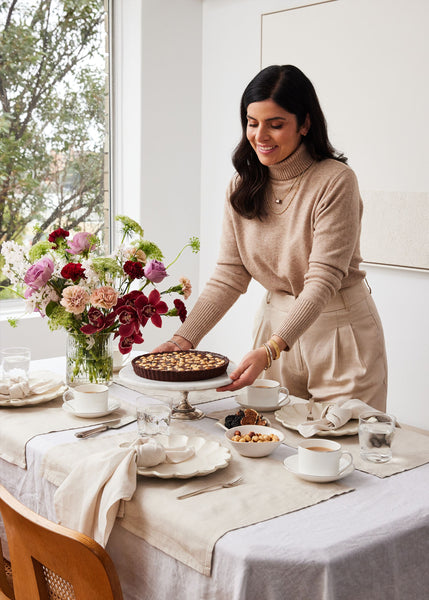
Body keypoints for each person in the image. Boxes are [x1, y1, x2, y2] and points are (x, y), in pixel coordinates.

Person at [154, 64, 388, 411]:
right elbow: (229, 274)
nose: (260, 136)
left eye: (275, 125)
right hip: (274, 327)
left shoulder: (335, 181)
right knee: (271, 448)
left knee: (345, 451)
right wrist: (183, 338)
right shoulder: (242, 185)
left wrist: (271, 349)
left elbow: (323, 280)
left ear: (305, 124)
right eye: (252, 123)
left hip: (338, 333)